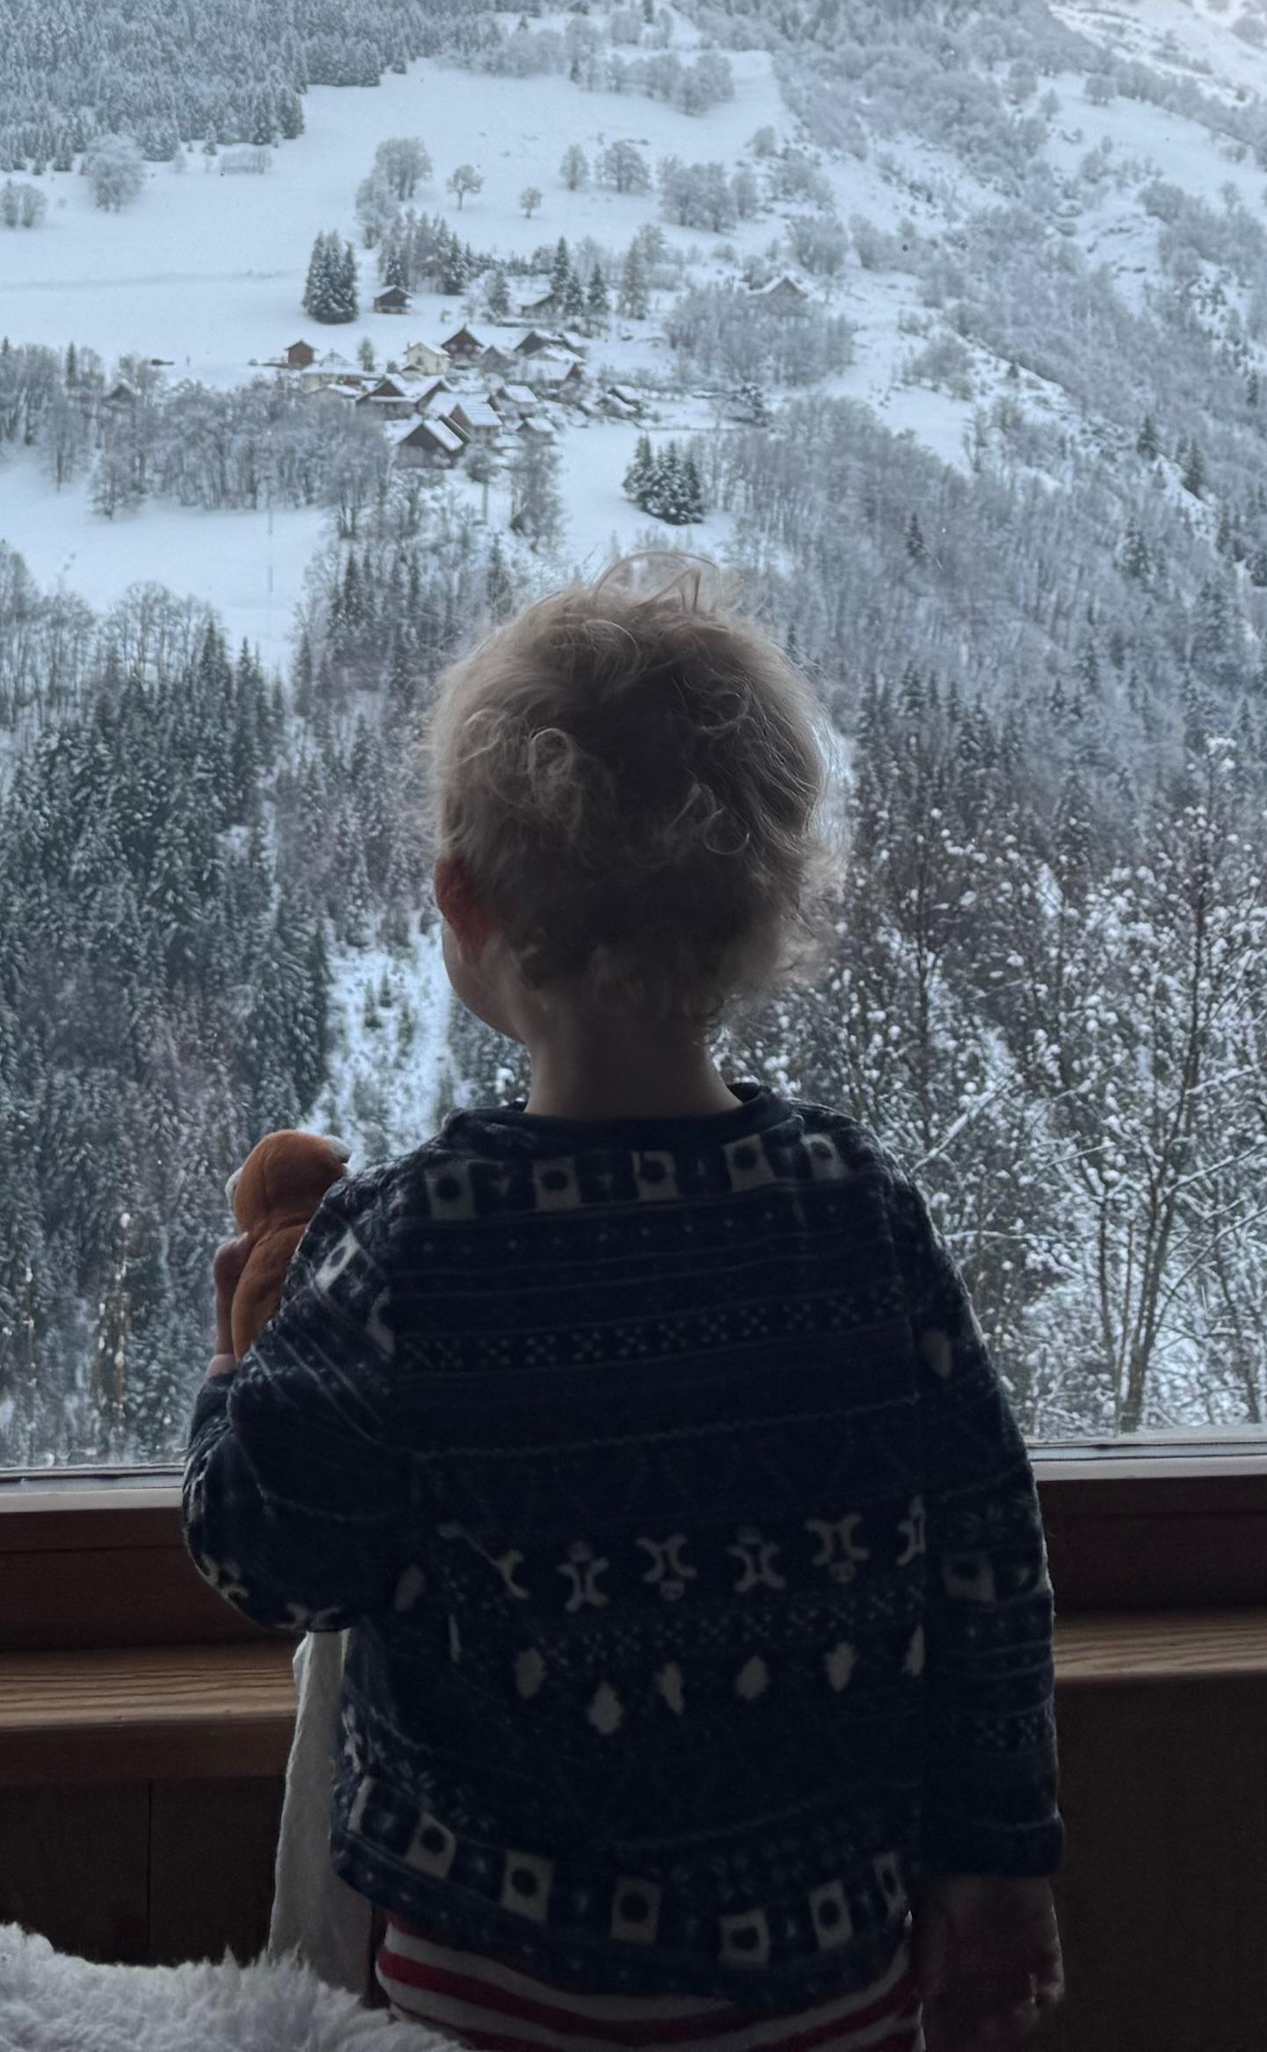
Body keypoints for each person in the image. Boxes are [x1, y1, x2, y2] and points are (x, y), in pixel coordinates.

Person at [186, 560, 1065, 2052]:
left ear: (465, 902)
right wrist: (998, 1857)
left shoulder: (417, 1242)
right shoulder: (858, 1214)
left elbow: (263, 1547)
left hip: (491, 1994)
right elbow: (989, 1562)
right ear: (768, 899)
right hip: (830, 1985)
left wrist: (254, 1354)